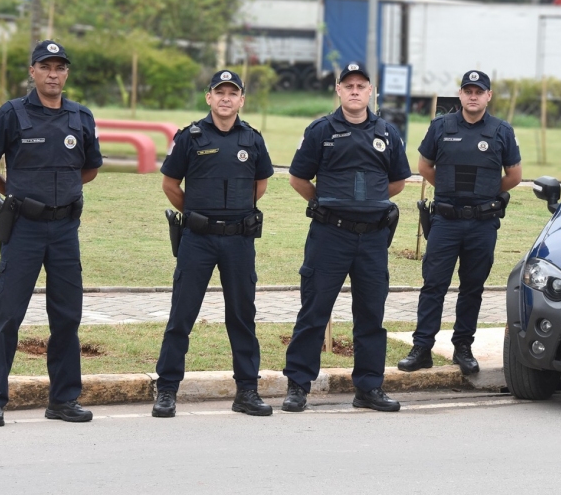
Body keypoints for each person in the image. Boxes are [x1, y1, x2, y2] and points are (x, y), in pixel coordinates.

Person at [0, 40, 103, 427]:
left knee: (66, 317)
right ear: (32, 71)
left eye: (60, 67)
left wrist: (62, 196)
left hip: (65, 229)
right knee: (8, 315)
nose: (53, 74)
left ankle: (63, 400)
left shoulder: (81, 117)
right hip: (25, 229)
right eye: (45, 67)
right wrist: (12, 195)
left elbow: (91, 168)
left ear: (66, 73)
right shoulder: (12, 113)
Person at [282, 62, 411, 412]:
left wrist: (368, 201)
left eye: (361, 86)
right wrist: (324, 205)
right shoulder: (321, 130)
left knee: (371, 314)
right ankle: (298, 385)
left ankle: (368, 388)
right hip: (330, 236)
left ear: (371, 92)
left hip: (372, 239)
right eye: (348, 85)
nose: (355, 91)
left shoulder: (387, 132)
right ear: (338, 91)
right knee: (314, 311)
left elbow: (398, 181)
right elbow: (298, 178)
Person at [152, 70, 275, 418]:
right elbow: (170, 184)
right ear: (208, 97)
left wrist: (235, 213)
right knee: (182, 315)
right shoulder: (189, 137)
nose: (225, 98)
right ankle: (167, 390)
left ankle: (247, 391)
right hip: (198, 240)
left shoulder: (252, 139)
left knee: (242, 316)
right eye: (218, 92)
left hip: (238, 240)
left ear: (241, 100)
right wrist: (196, 214)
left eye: (232, 93)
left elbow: (259, 185)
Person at [398, 70, 522, 375]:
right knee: (434, 285)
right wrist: (448, 188)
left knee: (472, 288)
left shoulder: (501, 131)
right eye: (468, 91)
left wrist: (488, 193)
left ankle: (463, 347)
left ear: (488, 96)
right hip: (446, 220)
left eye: (479, 91)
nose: (473, 96)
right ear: (461, 95)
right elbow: (424, 165)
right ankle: (422, 348)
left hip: (482, 223)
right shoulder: (441, 126)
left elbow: (515, 175)